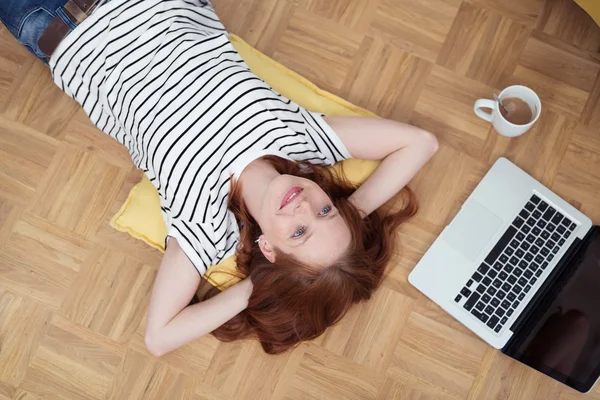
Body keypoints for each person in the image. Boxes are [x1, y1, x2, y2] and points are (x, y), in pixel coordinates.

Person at [1, 0, 439, 356]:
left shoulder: (205, 225)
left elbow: (159, 338)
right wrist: (351, 214)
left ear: (268, 248)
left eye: (301, 232)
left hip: (55, 20)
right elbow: (421, 143)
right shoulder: (302, 141)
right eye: (326, 209)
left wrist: (263, 285)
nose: (306, 205)